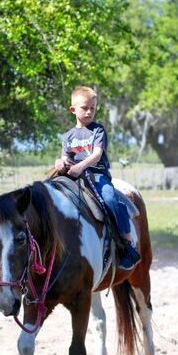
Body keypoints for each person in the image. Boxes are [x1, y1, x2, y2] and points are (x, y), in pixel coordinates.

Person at [55, 86, 141, 270]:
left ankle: (126, 241)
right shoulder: (68, 136)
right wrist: (59, 163)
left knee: (110, 198)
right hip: (73, 177)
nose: (89, 112)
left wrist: (80, 166)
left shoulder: (97, 130)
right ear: (73, 109)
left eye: (92, 108)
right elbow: (64, 157)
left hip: (96, 175)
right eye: (84, 108)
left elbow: (96, 154)